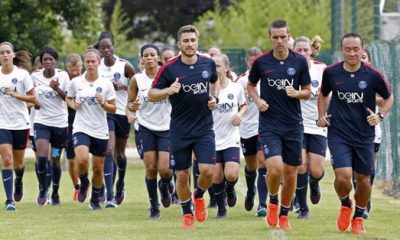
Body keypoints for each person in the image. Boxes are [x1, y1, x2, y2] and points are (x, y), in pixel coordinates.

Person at [317, 33, 394, 234]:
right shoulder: (331, 73)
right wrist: (321, 116)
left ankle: (359, 217)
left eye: (355, 49)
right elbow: (323, 95)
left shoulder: (373, 74)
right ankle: (345, 205)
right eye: (348, 49)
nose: (352, 53)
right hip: (338, 133)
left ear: (362, 50)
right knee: (343, 177)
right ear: (342, 50)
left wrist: (380, 116)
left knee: (364, 180)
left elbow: (389, 97)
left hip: (364, 135)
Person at [148, 25, 219, 230]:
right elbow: (152, 94)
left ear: (197, 42)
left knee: (207, 171)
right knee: (182, 174)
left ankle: (198, 196)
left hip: (204, 128)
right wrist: (168, 90)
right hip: (179, 129)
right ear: (179, 43)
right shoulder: (170, 68)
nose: (189, 44)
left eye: (192, 40)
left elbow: (213, 83)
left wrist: (214, 98)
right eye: (185, 41)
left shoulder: (208, 63)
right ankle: (187, 212)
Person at [247, 19, 312, 231]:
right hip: (270, 125)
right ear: (270, 38)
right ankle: (272, 200)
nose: (279, 41)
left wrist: (297, 93)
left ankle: (284, 214)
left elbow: (307, 90)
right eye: (275, 37)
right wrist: (258, 101)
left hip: (293, 125)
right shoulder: (261, 62)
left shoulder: (299, 62)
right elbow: (250, 85)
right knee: (274, 169)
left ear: (289, 36)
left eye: (283, 37)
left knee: (292, 172)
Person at [66, 48, 116, 210]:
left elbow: (113, 108)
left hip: (100, 130)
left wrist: (103, 103)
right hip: (81, 127)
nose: (90, 64)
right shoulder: (76, 82)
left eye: (93, 61)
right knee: (81, 160)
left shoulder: (106, 84)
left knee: (97, 168)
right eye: (87, 61)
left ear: (99, 63)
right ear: (84, 63)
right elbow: (68, 97)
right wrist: (72, 104)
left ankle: (95, 199)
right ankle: (83, 180)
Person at [128, 44, 173, 219]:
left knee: (166, 169)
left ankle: (165, 185)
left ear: (158, 58)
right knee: (151, 168)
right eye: (145, 55)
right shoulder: (136, 80)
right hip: (146, 127)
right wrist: (132, 107)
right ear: (141, 59)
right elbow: (130, 104)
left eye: (152, 55)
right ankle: (154, 206)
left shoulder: (168, 76)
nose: (148, 58)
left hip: (167, 127)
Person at [97, 31, 135, 207]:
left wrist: (123, 86)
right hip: (106, 113)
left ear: (114, 47)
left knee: (120, 153)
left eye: (108, 47)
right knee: (109, 151)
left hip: (122, 113)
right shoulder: (96, 67)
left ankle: (120, 183)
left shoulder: (125, 66)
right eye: (102, 47)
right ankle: (109, 193)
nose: (105, 50)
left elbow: (137, 88)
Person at [293, 36, 327, 219]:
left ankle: (314, 183)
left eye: (306, 50)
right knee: (300, 165)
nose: (303, 53)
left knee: (316, 169)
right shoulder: (289, 70)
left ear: (311, 51)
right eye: (299, 50)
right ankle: (302, 207)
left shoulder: (321, 70)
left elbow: (330, 94)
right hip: (297, 125)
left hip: (317, 125)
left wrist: (325, 116)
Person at [0, 41, 36, 211]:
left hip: (21, 123)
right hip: (2, 124)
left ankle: (19, 180)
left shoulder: (23, 75)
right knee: (7, 160)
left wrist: (15, 94)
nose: (5, 55)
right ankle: (9, 200)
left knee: (18, 164)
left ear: (13, 55)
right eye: (2, 52)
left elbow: (34, 98)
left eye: (8, 52)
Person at [31, 46, 70, 206]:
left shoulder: (63, 76)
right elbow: (30, 95)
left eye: (50, 59)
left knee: (55, 159)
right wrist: (35, 102)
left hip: (60, 125)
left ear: (55, 61)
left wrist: (57, 88)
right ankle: (42, 188)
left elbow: (68, 98)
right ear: (41, 61)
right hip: (42, 123)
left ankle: (55, 193)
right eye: (45, 59)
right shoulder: (34, 76)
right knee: (41, 158)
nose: (48, 62)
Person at [211, 53, 247, 219]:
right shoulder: (206, 89)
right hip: (212, 138)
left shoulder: (236, 87)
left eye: (218, 65)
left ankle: (230, 188)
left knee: (231, 174)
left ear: (226, 68)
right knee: (217, 175)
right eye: (213, 66)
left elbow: (244, 105)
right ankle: (221, 209)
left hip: (231, 137)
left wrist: (239, 115)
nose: (215, 69)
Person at [236, 47, 269, 217]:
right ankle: (251, 191)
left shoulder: (268, 77)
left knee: (263, 162)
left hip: (265, 127)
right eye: (252, 62)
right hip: (246, 129)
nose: (255, 64)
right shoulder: (241, 81)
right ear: (247, 62)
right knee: (251, 166)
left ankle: (262, 204)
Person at [65, 53, 83, 201]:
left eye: (77, 68)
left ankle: (85, 186)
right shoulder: (64, 80)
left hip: (84, 124)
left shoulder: (86, 81)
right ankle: (77, 187)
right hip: (67, 124)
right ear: (67, 67)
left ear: (81, 66)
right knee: (71, 160)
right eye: (72, 69)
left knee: (82, 158)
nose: (75, 72)